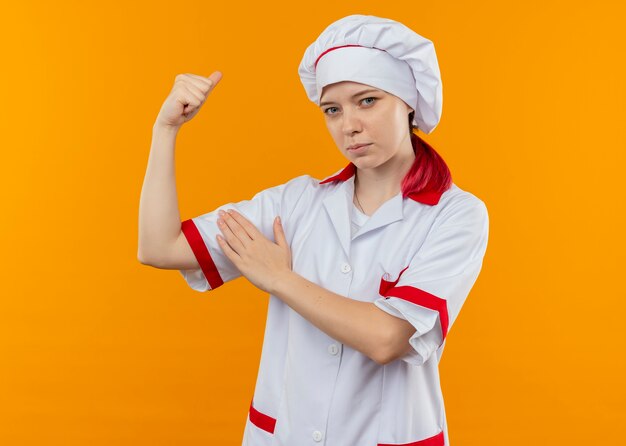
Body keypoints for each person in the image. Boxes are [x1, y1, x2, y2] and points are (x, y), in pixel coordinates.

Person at [138, 14, 489, 446]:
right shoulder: (296, 203)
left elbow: (387, 338)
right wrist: (165, 130)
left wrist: (279, 279)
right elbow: (159, 246)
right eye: (332, 110)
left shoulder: (455, 214)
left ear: (409, 100)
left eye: (367, 101)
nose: (349, 126)